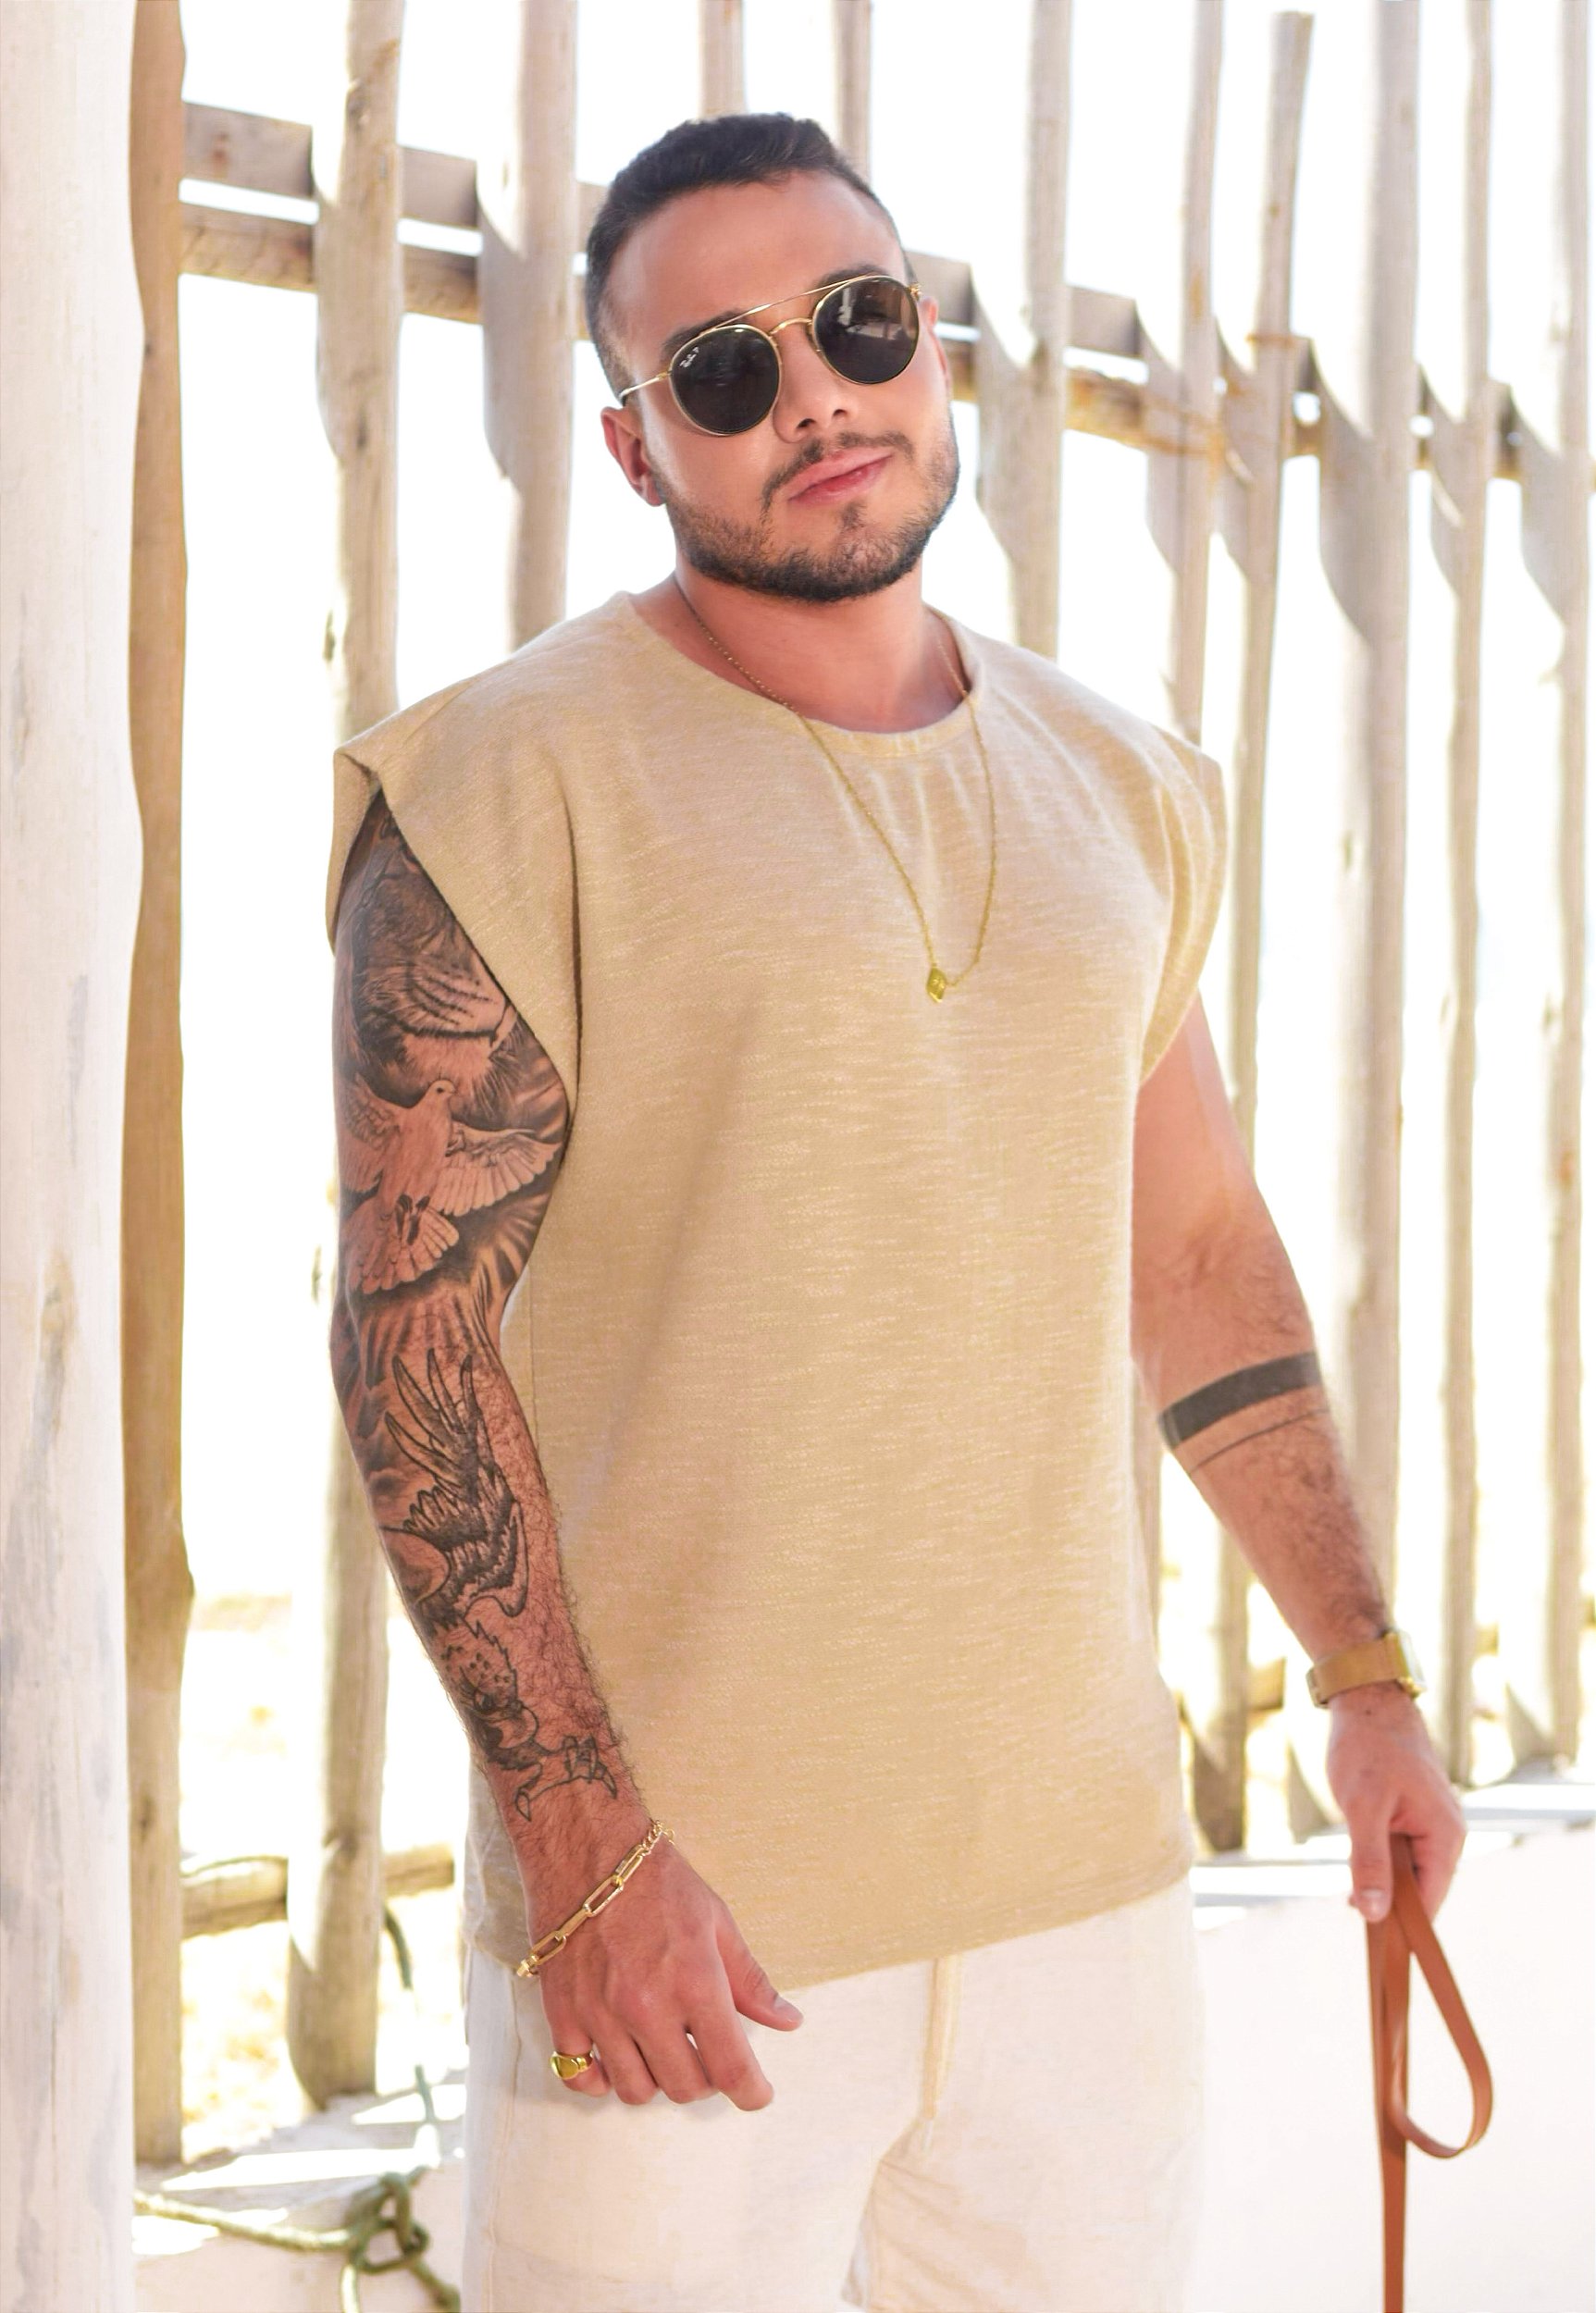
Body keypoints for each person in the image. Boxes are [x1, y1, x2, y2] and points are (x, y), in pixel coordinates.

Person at [326, 110, 1466, 2313]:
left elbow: (1192, 1254)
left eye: (855, 322)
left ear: (928, 341)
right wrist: (578, 1845)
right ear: (635, 444)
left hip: (1081, 1900)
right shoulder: (501, 784)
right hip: (685, 1924)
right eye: (723, 368)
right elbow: (412, 1332)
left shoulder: (1119, 782)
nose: (815, 396)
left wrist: (1362, 1674)